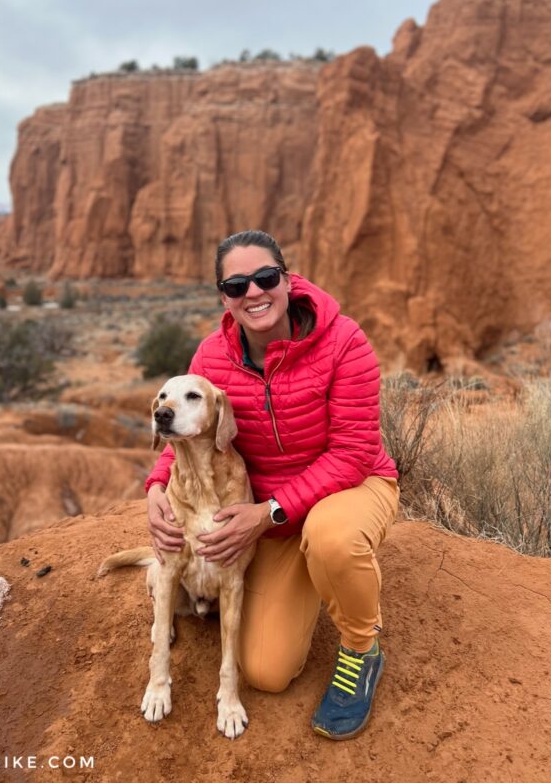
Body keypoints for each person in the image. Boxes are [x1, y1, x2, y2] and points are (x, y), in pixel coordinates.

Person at [144, 229, 399, 740]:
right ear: (224, 296)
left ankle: (360, 649)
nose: (253, 293)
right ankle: (307, 570)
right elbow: (185, 429)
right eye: (237, 285)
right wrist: (155, 488)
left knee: (331, 535)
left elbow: (351, 455)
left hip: (348, 489)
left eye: (265, 278)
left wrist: (266, 513)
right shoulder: (211, 360)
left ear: (287, 278)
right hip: (268, 519)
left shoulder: (345, 342)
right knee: (264, 671)